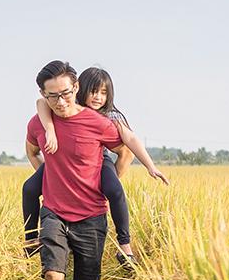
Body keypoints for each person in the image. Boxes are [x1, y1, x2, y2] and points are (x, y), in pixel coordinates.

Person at [24, 60, 166, 280]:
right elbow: (31, 149)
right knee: (52, 278)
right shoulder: (38, 122)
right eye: (53, 97)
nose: (60, 102)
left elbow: (125, 145)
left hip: (91, 216)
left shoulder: (97, 122)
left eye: (65, 93)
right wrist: (47, 174)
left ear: (76, 88)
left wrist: (137, 171)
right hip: (54, 212)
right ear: (43, 95)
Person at [22, 66, 168, 267]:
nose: (98, 97)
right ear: (80, 89)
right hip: (63, 162)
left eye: (103, 92)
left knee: (115, 191)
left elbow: (130, 142)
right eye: (93, 91)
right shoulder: (65, 105)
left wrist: (150, 167)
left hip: (99, 160)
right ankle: (31, 241)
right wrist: (50, 131)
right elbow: (41, 102)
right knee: (29, 188)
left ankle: (125, 247)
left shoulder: (111, 117)